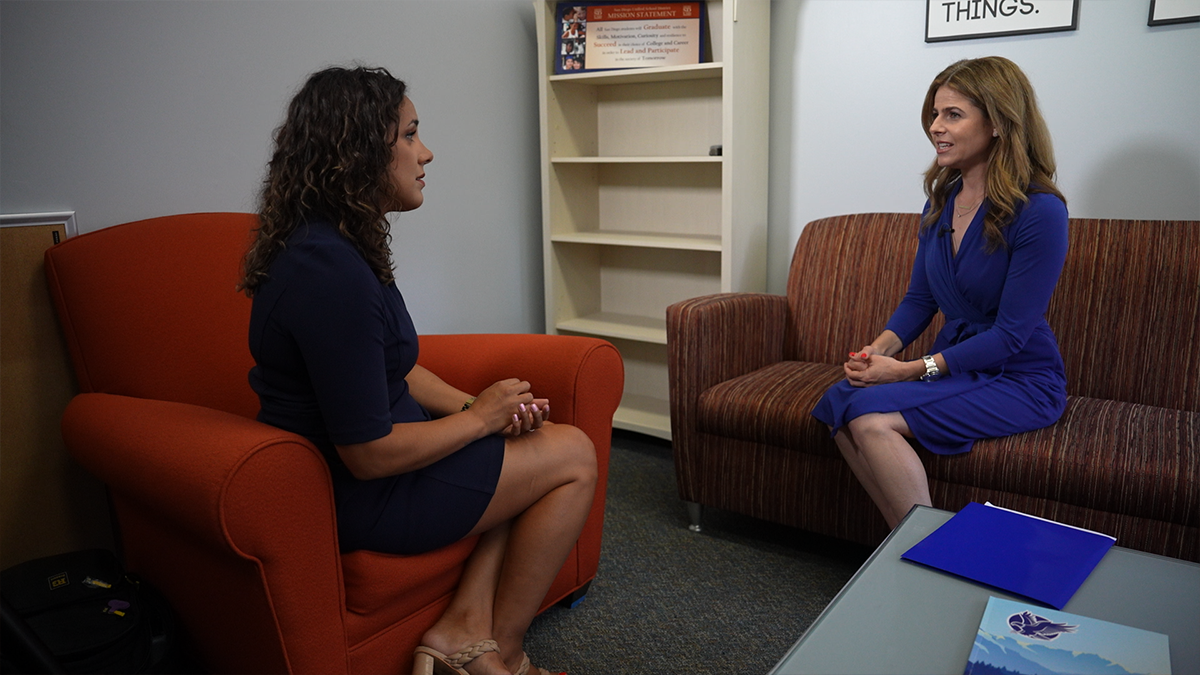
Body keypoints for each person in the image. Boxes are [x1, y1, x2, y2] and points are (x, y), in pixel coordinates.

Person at [240, 66, 593, 675]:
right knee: (575, 457)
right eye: (409, 135)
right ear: (358, 152)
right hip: (366, 493)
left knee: (534, 442)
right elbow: (368, 454)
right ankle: (503, 653)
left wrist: (473, 407)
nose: (425, 152)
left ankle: (461, 629)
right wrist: (481, 421)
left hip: (390, 467)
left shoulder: (335, 244)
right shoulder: (330, 274)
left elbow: (394, 369)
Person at [811, 56, 1069, 530]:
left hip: (1021, 377)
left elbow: (1012, 335)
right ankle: (904, 547)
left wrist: (909, 370)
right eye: (934, 114)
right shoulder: (941, 201)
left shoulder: (1040, 210)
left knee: (871, 419)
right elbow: (920, 299)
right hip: (957, 363)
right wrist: (878, 351)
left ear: (997, 122)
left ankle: (924, 549)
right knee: (843, 399)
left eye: (953, 115)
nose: (935, 127)